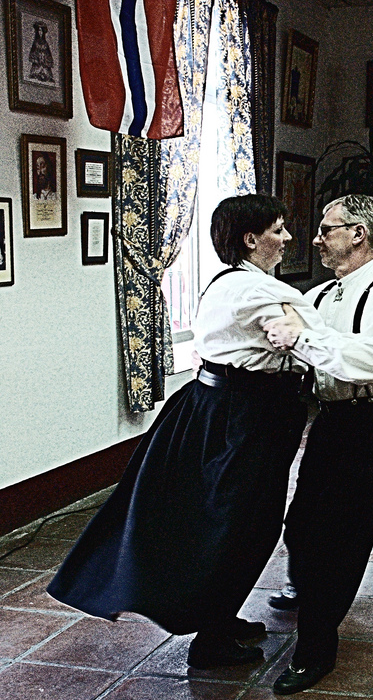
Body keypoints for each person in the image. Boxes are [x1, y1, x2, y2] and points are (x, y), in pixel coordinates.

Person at [47, 194, 324, 670]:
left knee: (238, 519)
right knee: (238, 524)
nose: (287, 238)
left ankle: (221, 615)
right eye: (278, 230)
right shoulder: (248, 290)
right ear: (250, 239)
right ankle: (211, 638)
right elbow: (310, 325)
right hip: (242, 414)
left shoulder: (241, 282)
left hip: (230, 408)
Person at [263, 194, 373, 694]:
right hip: (333, 418)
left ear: (359, 234)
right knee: (304, 520)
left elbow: (368, 362)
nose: (315, 238)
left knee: (342, 536)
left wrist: (300, 338)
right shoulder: (323, 295)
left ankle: (315, 648)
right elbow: (306, 344)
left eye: (327, 229)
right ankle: (307, 588)